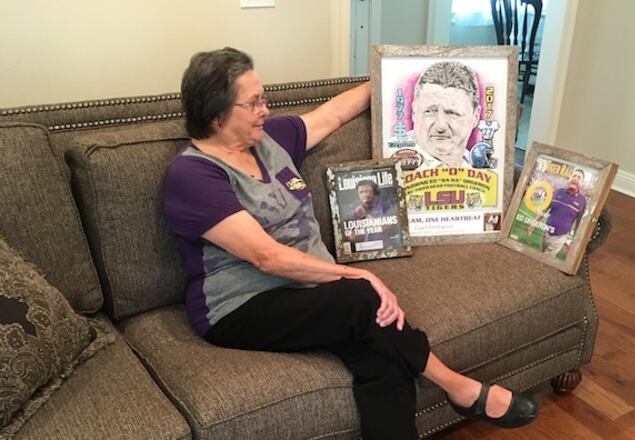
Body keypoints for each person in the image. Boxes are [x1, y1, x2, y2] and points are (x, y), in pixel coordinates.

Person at [164, 47, 537, 440]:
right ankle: (459, 387)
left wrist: (393, 73)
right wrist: (353, 275)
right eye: (254, 103)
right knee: (361, 299)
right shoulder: (193, 175)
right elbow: (266, 257)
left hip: (306, 289)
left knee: (383, 356)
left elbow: (333, 115)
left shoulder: (268, 140)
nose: (265, 110)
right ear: (216, 114)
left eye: (264, 98)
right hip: (239, 306)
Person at [403, 61, 482, 169]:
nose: (441, 126)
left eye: (452, 113)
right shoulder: (389, 157)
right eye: (430, 111)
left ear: (475, 117)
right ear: (414, 112)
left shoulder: (481, 167)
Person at [529, 169, 588, 258]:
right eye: (574, 176)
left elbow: (578, 223)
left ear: (582, 183)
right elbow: (544, 209)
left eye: (579, 177)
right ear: (569, 179)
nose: (575, 178)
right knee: (541, 255)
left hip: (560, 237)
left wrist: (574, 241)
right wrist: (534, 224)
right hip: (546, 232)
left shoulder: (582, 201)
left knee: (545, 258)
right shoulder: (557, 192)